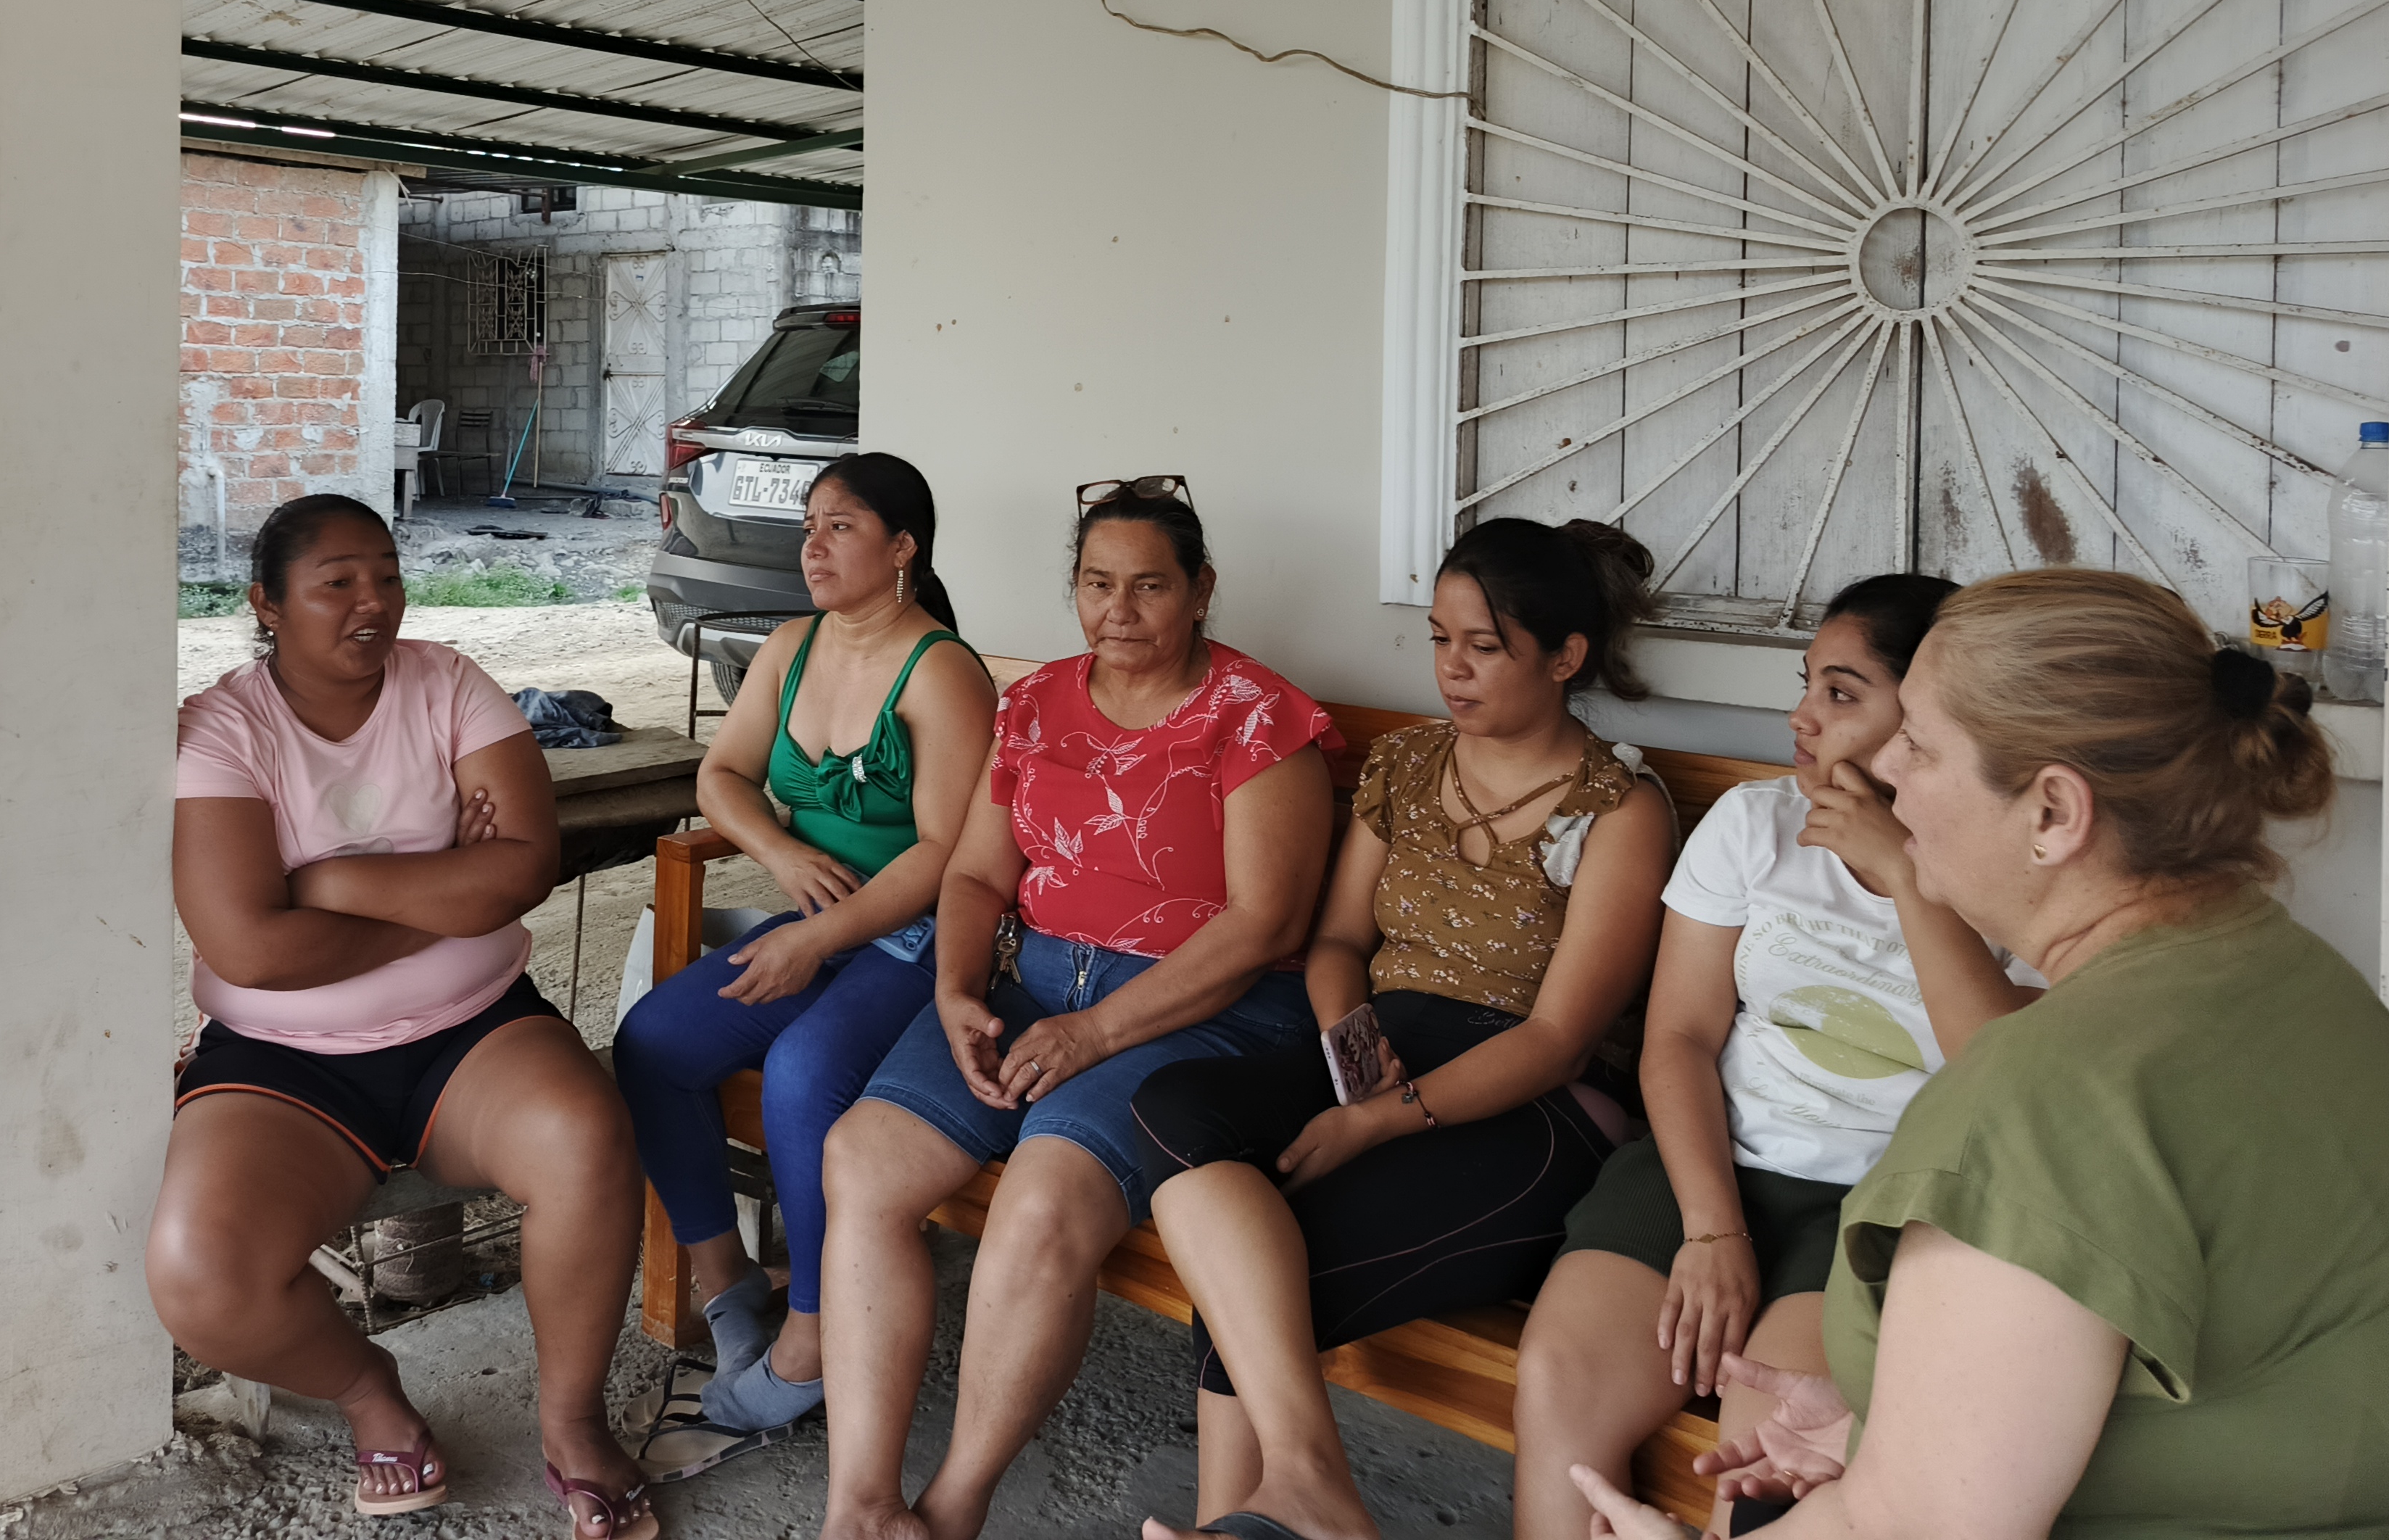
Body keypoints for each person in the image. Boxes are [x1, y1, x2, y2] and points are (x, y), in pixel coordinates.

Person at [1567, 567, 2389, 1540]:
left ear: (2053, 814)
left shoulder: (2039, 1092)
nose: (1889, 766)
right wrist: (1894, 1422)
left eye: (1920, 743)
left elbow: (1912, 1529)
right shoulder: (2278, 966)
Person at [1129, 517, 1677, 1540]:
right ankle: (1302, 1493)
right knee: (1173, 1105)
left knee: (1258, 1272)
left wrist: (1380, 1119)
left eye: (1484, 646)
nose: (1451, 669)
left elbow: (1560, 1036)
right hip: (1390, 1048)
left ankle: (1250, 1516)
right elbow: (1339, 940)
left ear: (1566, 657)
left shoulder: (1620, 810)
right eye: (1439, 639)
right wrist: (1355, 1053)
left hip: (1536, 1104)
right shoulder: (1408, 764)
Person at [816, 479, 1341, 1540]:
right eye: (1098, 584)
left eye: (1150, 586)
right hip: (1034, 982)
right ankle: (861, 1508)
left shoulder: (1258, 716)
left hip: (1201, 1006)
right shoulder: (1035, 704)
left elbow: (1265, 925)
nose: (1120, 610)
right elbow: (975, 876)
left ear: (1201, 589)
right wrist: (957, 990)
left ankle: (953, 1510)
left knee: (1042, 1203)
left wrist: (1095, 1031)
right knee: (863, 1161)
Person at [144, 494, 652, 1537]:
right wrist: (446, 891)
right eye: (336, 582)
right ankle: (370, 1391)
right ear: (267, 603)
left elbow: (524, 870)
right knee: (203, 1276)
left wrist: (330, 884)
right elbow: (250, 951)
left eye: (386, 574)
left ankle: (573, 1423)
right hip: (284, 1060)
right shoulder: (225, 729)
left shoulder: (449, 684)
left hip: (474, 1030)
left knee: (586, 1138)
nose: (372, 601)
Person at [1512, 574, 2043, 1540]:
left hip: (1883, 1203)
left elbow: (2001, 1078)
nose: (1802, 717)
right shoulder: (1755, 825)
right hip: (1708, 1162)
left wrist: (1904, 873)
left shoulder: (2018, 866)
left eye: (1842, 693)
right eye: (1808, 684)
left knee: (1767, 1458)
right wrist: (1714, 1233)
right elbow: (1678, 1038)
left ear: (1936, 713)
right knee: (1559, 1388)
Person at [613, 455, 998, 1434]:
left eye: (841, 527)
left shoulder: (942, 672)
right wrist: (780, 852)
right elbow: (722, 777)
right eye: (809, 527)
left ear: (903, 548)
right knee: (654, 1043)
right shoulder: (792, 647)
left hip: (920, 935)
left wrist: (819, 936)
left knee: (802, 1073)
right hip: (822, 925)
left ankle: (815, 1336)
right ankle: (730, 1286)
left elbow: (949, 854)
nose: (813, 547)